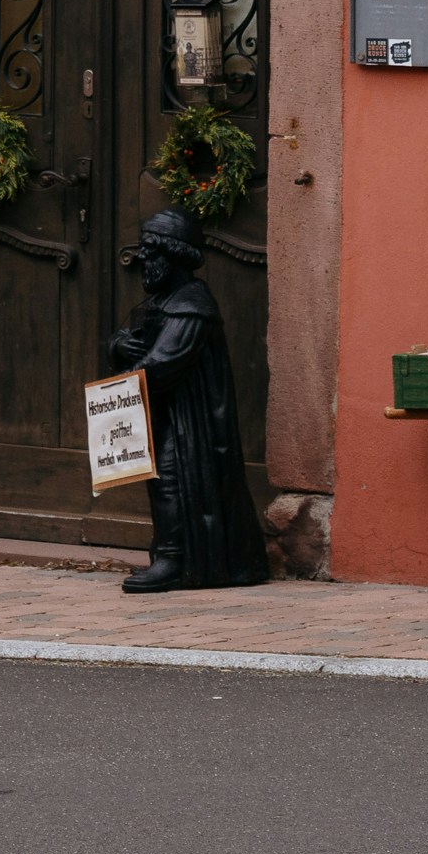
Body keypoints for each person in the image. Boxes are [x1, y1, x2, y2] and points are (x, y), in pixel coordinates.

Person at [106, 209, 268, 592]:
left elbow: (163, 363)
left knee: (172, 479)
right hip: (169, 412)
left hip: (191, 421)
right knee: (163, 479)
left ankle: (175, 559)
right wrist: (118, 346)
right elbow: (130, 336)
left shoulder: (191, 306)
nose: (142, 260)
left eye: (151, 252)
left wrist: (116, 392)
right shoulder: (164, 300)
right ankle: (170, 555)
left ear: (173, 256)